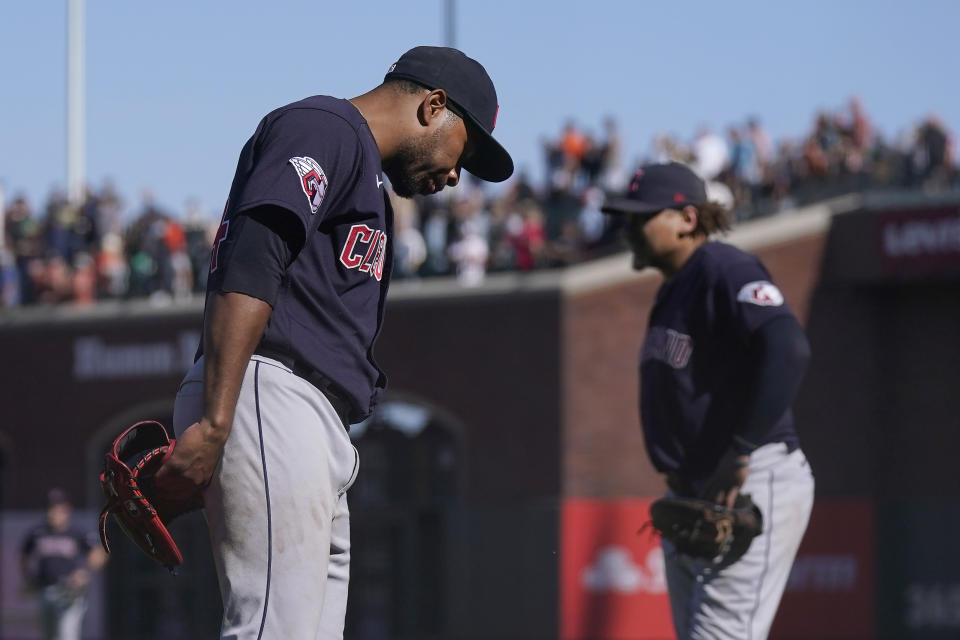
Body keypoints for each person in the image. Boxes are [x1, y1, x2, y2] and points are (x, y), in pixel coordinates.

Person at [152, 46, 513, 639]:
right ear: (434, 106)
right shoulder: (324, 126)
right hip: (267, 393)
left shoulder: (365, 172)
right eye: (463, 152)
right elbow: (252, 259)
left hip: (304, 416)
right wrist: (216, 423)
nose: (454, 176)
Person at [601, 162, 815, 640]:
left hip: (748, 478)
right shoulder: (676, 287)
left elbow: (788, 347)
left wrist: (739, 450)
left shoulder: (724, 267)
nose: (629, 230)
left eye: (641, 217)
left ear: (687, 219)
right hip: (698, 488)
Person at [20, 488, 107, 640]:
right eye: (50, 508)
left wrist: (84, 571)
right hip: (45, 589)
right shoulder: (38, 532)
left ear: (67, 510)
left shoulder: (76, 532)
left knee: (67, 635)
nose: (52, 512)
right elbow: (23, 555)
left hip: (69, 591)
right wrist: (28, 577)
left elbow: (100, 553)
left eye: (56, 508)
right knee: (50, 635)